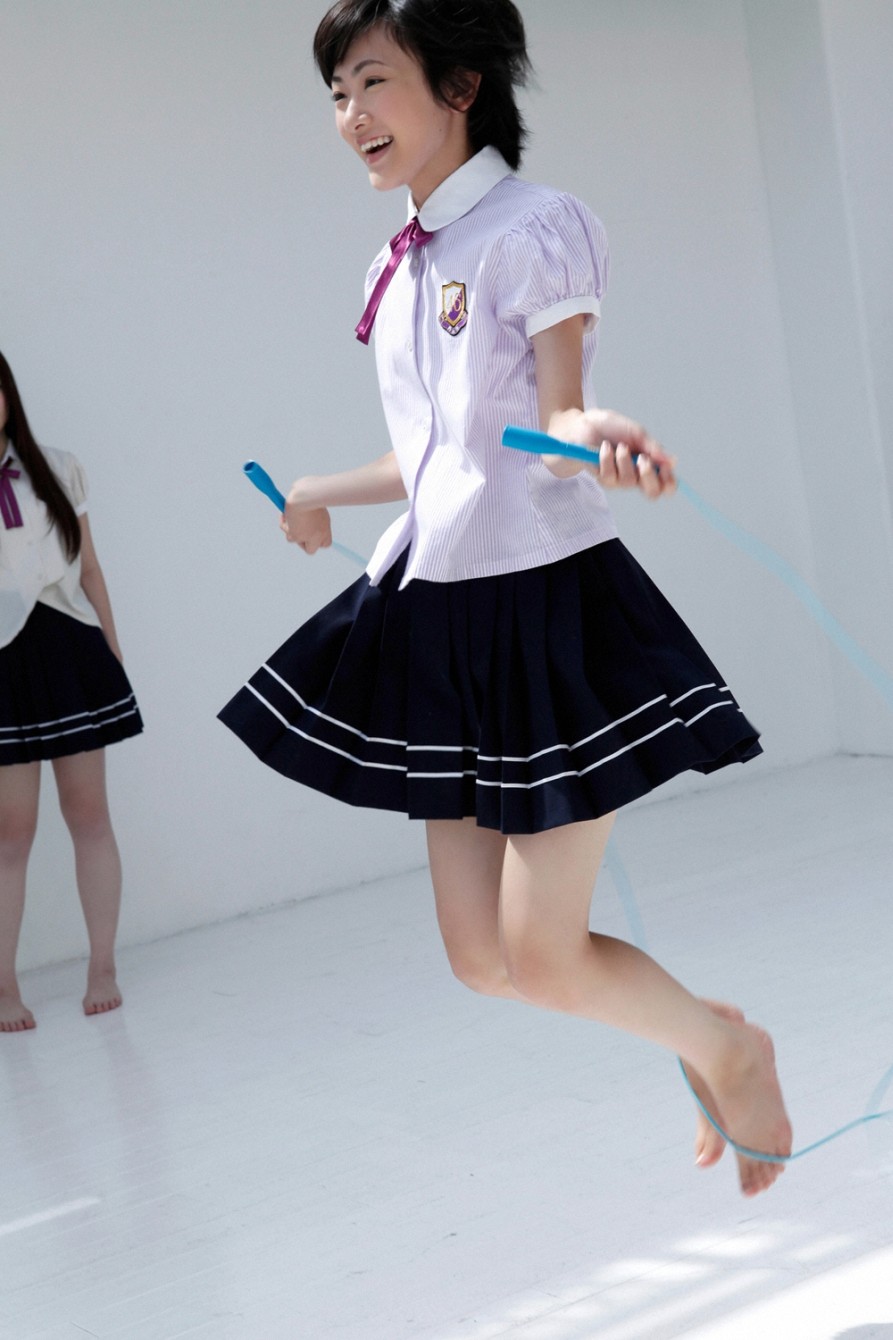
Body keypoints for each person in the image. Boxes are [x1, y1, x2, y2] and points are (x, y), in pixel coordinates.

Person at [219, 0, 792, 1195]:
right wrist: (320, 490)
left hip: (541, 604)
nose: (351, 114)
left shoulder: (532, 228)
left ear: (460, 86)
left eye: (372, 81)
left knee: (540, 951)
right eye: (336, 92)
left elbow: (555, 414)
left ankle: (728, 1051)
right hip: (438, 606)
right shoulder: (400, 259)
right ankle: (709, 1032)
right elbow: (439, 451)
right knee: (481, 960)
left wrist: (601, 437)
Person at [0, 351, 142, 1030]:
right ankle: (4, 985)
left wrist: (112, 649)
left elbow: (90, 569)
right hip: (2, 664)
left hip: (66, 649)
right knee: (10, 832)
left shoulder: (58, 467)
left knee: (89, 814)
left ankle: (102, 966)